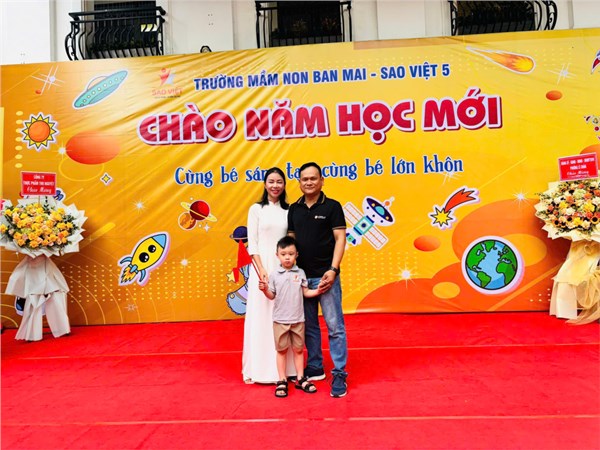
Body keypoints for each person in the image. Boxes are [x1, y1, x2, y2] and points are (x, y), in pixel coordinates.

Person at [287, 162, 349, 398]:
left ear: (322, 181)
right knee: (309, 325)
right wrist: (292, 272)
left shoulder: (332, 207)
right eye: (305, 179)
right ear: (299, 183)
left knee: (335, 326)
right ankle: (315, 366)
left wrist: (333, 269)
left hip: (326, 277)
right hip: (302, 278)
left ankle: (340, 372)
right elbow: (291, 242)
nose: (309, 182)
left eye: (313, 178)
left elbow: (340, 239)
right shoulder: (294, 209)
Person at [242, 167, 296, 384]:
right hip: (262, 268)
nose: (275, 185)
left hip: (283, 267)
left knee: (284, 317)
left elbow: (292, 242)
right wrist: (261, 269)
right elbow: (252, 242)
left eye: (279, 182)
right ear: (265, 184)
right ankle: (261, 369)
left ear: (284, 185)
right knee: (262, 314)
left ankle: (286, 370)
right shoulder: (256, 209)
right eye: (271, 181)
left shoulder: (289, 211)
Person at [259, 236, 322, 398]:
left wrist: (318, 290)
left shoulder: (300, 273)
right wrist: (265, 290)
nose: (287, 257)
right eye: (283, 254)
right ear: (277, 255)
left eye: (291, 254)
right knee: (281, 351)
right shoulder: (274, 275)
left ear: (296, 255)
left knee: (299, 350)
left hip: (298, 320)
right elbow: (271, 295)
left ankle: (300, 378)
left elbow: (306, 292)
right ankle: (282, 380)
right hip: (280, 320)